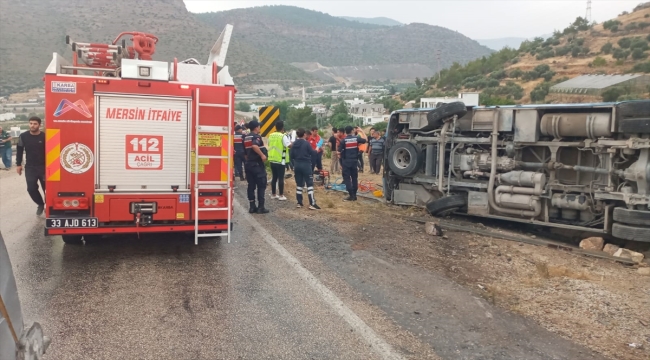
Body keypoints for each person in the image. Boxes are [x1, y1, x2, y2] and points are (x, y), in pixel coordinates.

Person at [16, 117, 46, 215]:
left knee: (47, 189)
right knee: (31, 189)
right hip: (30, 167)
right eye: (31, 123)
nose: (32, 125)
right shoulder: (23, 136)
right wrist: (18, 164)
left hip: (44, 167)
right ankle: (40, 204)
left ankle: (49, 206)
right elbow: (19, 150)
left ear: (39, 125)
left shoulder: (45, 136)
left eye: (35, 124)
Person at [290, 128, 320, 210]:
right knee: (309, 184)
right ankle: (312, 203)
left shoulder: (294, 144)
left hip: (297, 165)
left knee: (299, 184)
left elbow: (291, 156)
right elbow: (313, 153)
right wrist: (317, 148)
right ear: (304, 135)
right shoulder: (306, 143)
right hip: (306, 165)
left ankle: (299, 202)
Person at [243, 120, 269, 214]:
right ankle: (261, 207)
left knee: (251, 186)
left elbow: (245, 153)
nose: (259, 128)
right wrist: (262, 155)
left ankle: (252, 206)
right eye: (259, 126)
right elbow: (254, 146)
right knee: (261, 185)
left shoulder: (246, 137)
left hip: (248, 165)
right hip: (257, 165)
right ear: (256, 128)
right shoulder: (256, 137)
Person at [338, 125, 366, 201]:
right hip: (354, 161)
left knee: (347, 178)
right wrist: (361, 131)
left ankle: (351, 195)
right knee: (354, 178)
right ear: (352, 131)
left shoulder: (343, 140)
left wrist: (341, 161)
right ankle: (354, 195)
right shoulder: (356, 138)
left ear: (345, 132)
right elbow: (365, 140)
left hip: (346, 162)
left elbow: (338, 152)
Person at [268, 120, 292, 201]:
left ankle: (274, 194)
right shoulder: (283, 136)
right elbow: (289, 145)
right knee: (281, 178)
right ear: (282, 128)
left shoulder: (270, 135)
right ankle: (281, 195)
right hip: (280, 160)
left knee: (274, 177)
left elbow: (269, 144)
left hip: (272, 159)